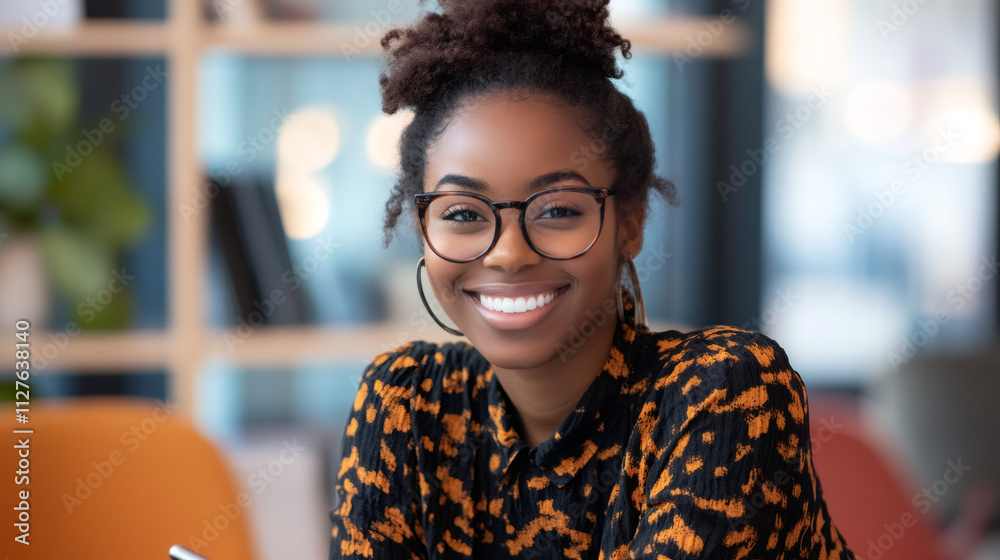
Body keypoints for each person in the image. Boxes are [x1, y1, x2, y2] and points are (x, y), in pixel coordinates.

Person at [329, 0, 856, 558]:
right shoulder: (407, 404)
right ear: (422, 227)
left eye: (557, 210)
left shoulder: (725, 394)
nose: (509, 254)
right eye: (462, 213)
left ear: (630, 224)